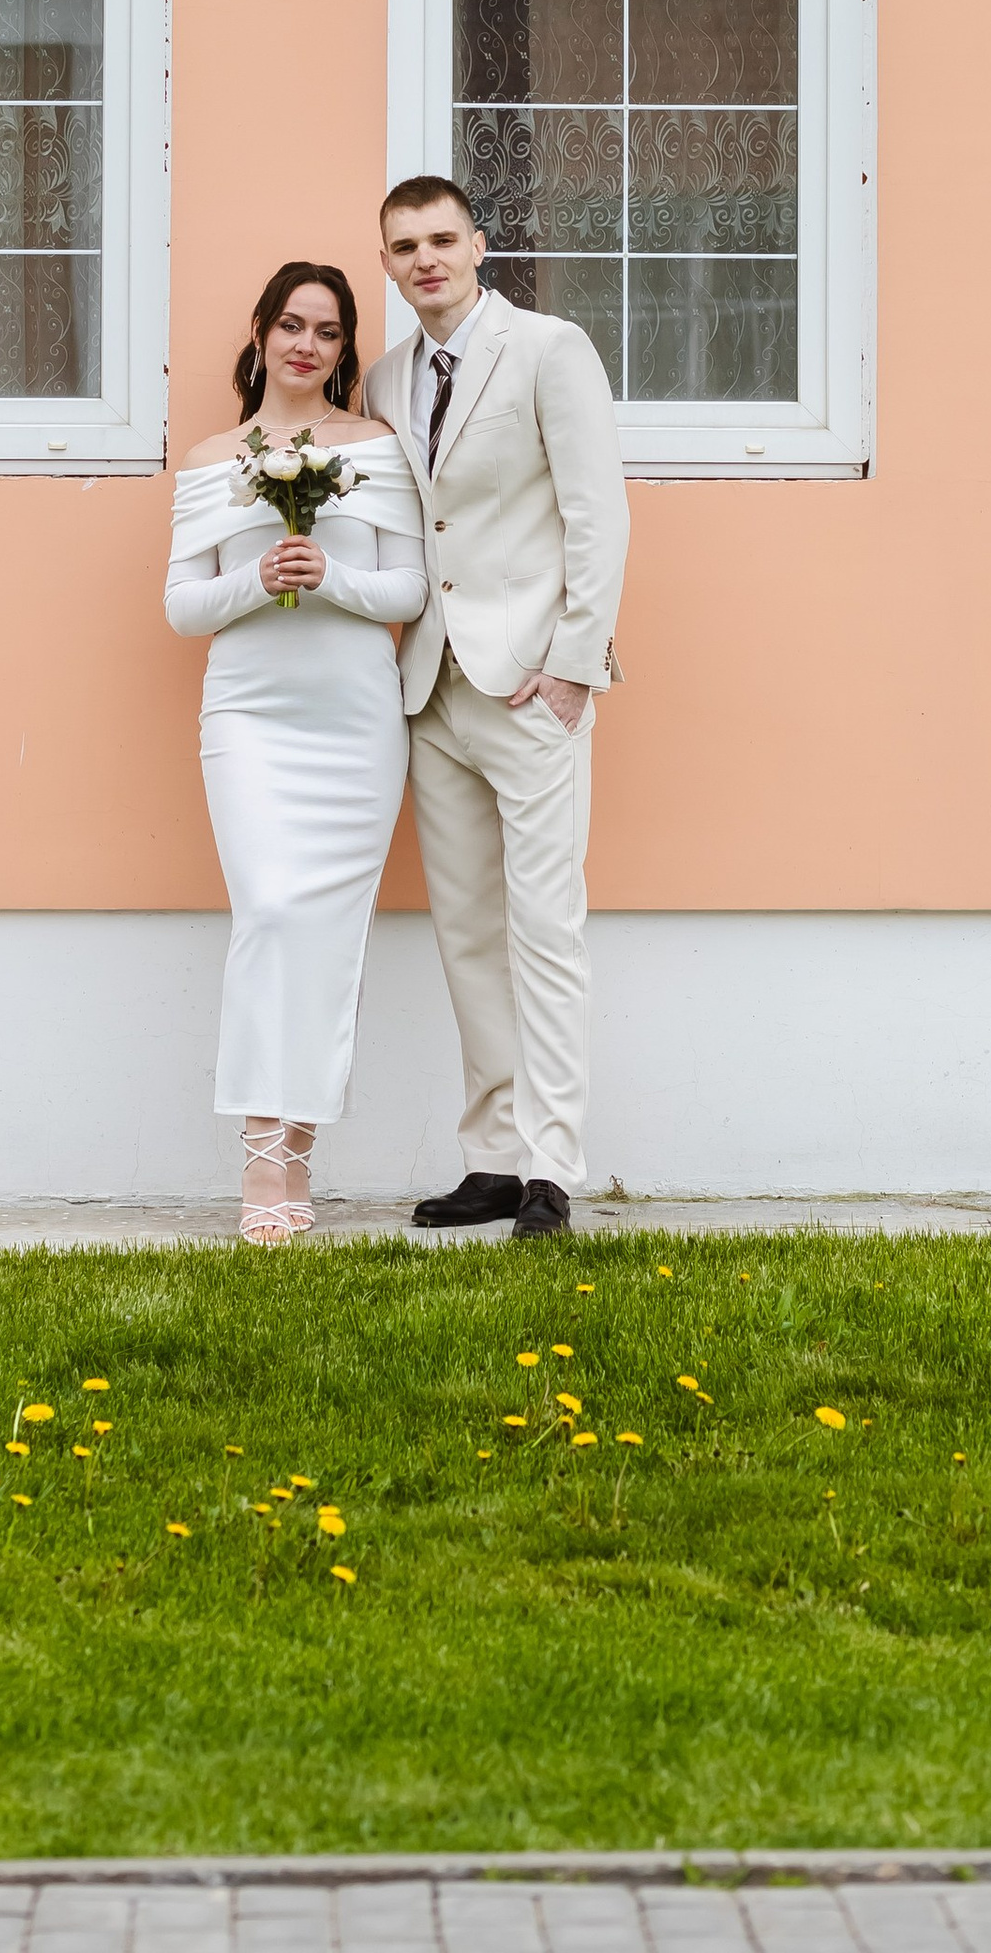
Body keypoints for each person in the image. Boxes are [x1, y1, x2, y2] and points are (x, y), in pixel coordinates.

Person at [363, 178, 629, 1241]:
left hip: (531, 687)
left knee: (545, 926)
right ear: (385, 263)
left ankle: (552, 1171)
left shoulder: (549, 349)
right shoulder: (386, 378)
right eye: (402, 246)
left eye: (440, 239)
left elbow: (595, 513)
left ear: (477, 244)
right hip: (430, 689)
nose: (424, 258)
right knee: (467, 932)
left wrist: (573, 664)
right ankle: (490, 1158)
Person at [165, 261, 427, 1243]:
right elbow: (183, 607)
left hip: (356, 723)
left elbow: (405, 591)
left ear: (343, 349)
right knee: (268, 913)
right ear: (262, 334)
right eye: (290, 324)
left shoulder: (378, 449)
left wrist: (327, 579)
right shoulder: (208, 458)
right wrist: (256, 580)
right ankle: (257, 1153)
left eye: (326, 330)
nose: (306, 345)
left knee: (328, 935)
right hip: (250, 718)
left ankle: (294, 1156)